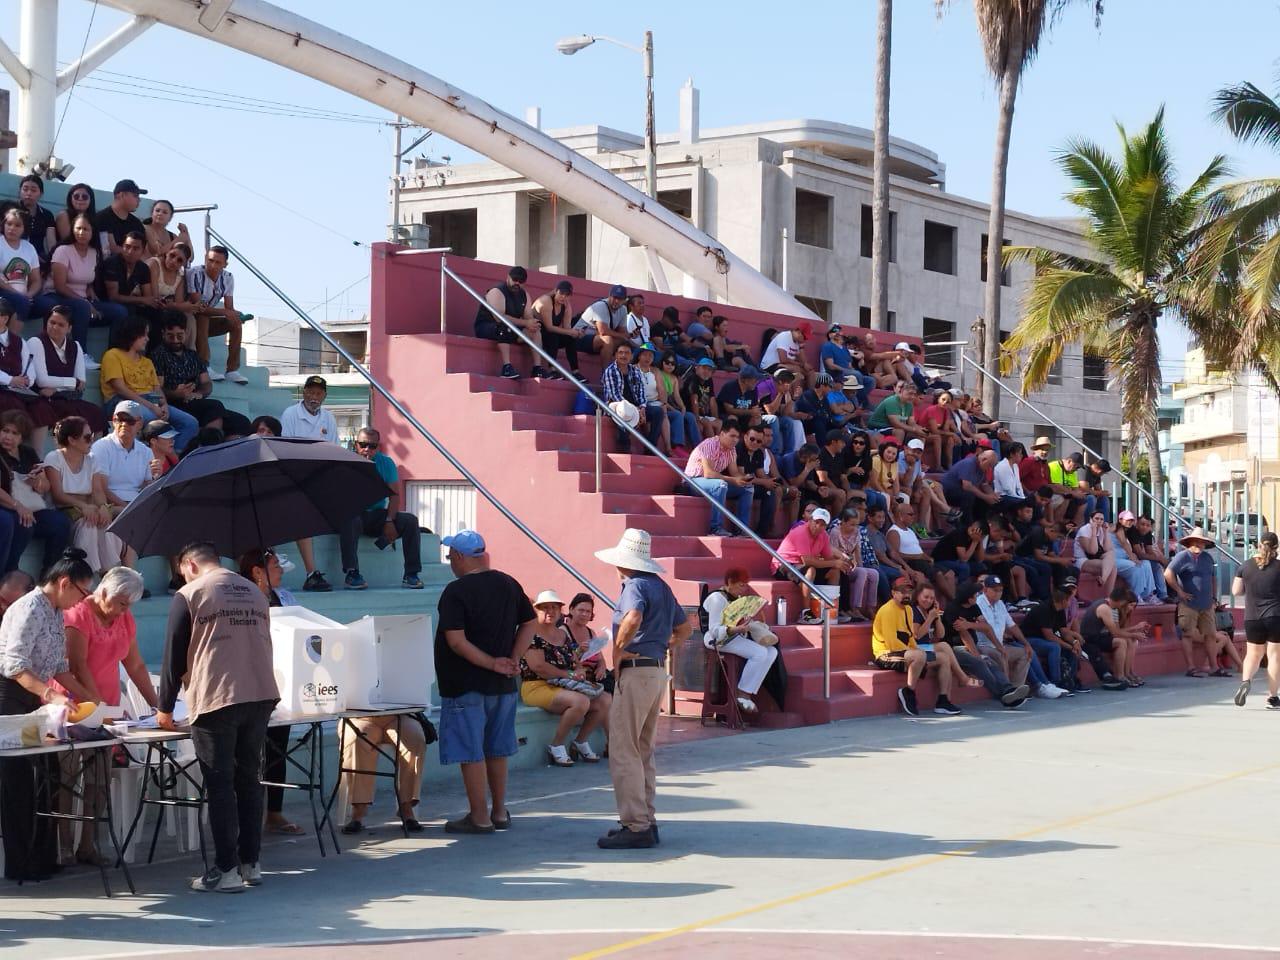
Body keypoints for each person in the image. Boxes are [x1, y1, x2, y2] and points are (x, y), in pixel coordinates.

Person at [158, 541, 278, 892]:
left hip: (217, 697)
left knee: (220, 783)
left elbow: (173, 656)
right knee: (249, 779)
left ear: (189, 565)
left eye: (181, 571)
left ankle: (225, 869)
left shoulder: (190, 594)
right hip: (260, 692)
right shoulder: (256, 592)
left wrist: (165, 707)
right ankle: (250, 863)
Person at [0, 548, 95, 882]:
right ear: (64, 582)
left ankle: (43, 855)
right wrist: (51, 693)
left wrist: (93, 700)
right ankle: (21, 862)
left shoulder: (55, 612)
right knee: (19, 781)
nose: (81, 602)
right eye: (82, 594)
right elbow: (14, 667)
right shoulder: (29, 608)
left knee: (48, 776)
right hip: (12, 696)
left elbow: (60, 668)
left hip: (37, 696)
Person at [594, 528, 691, 848]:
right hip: (655, 670)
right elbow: (685, 627)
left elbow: (633, 616)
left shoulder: (634, 585)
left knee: (624, 749)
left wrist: (619, 651)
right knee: (643, 749)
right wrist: (664, 645)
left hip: (636, 672)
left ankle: (635, 824)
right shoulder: (660, 586)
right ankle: (645, 818)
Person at [436, 529, 535, 834]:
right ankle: (500, 811)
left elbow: (456, 641)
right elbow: (530, 622)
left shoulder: (456, 591)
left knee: (471, 751)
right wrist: (513, 659)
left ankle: (479, 815)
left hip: (466, 684)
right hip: (502, 684)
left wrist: (493, 662)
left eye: (451, 556)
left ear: (461, 557)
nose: (450, 562)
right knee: (497, 748)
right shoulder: (508, 582)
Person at [53, 565, 151, 865]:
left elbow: (135, 666)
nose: (123, 611)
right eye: (120, 603)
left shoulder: (125, 617)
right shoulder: (79, 614)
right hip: (72, 706)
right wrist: (97, 706)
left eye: (128, 605)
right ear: (104, 591)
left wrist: (158, 706)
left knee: (98, 778)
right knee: (68, 776)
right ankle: (64, 846)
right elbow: (78, 665)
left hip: (107, 709)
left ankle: (88, 844)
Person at [234, 547, 306, 836]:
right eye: (275, 565)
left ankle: (274, 812)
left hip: (282, 681)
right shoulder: (239, 598)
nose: (281, 571)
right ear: (257, 571)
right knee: (247, 751)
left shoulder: (285, 598)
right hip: (248, 681)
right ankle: (244, 815)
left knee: (278, 748)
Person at [520, 590, 611, 766]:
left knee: (605, 699)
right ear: (536, 609)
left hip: (562, 685)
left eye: (554, 607)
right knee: (581, 701)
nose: (550, 611)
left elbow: (574, 660)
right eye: (545, 608)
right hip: (536, 686)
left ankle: (580, 741)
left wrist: (579, 669)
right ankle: (556, 744)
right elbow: (538, 666)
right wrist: (569, 674)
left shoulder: (562, 635)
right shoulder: (530, 633)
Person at [338, 426, 424, 590]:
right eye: (363, 444)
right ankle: (352, 573)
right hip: (354, 514)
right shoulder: (346, 462)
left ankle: (411, 574)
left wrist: (389, 520)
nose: (367, 449)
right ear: (356, 445)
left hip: (377, 515)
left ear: (379, 447)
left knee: (410, 520)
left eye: (372, 446)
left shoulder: (386, 463)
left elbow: (394, 495)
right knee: (350, 518)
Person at [99, 315, 199, 451]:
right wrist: (152, 407)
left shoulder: (147, 362)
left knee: (190, 423)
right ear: (132, 334)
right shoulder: (113, 355)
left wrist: (163, 405)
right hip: (121, 402)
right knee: (154, 418)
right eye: (144, 335)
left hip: (150, 401)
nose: (147, 339)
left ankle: (172, 459)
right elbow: (120, 388)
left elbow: (157, 389)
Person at [34, 212, 125, 360]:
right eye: (78, 228)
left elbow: (87, 278)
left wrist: (90, 292)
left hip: (81, 300)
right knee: (82, 308)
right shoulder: (63, 250)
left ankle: (113, 357)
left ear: (93, 231)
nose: (81, 233)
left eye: (86, 229)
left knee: (120, 311)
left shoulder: (94, 252)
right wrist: (86, 303)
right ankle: (80, 355)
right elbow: (59, 285)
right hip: (57, 296)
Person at [280, 375, 338, 592]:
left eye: (319, 393)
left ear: (324, 395)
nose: (314, 397)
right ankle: (311, 573)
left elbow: (333, 450)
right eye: (311, 392)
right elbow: (287, 448)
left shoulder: (329, 418)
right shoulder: (290, 414)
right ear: (304, 392)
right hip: (294, 475)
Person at [44, 416, 122, 574]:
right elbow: (58, 495)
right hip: (63, 510)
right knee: (89, 527)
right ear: (72, 440)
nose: (91, 441)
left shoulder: (92, 459)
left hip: (88, 509)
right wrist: (84, 505)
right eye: (87, 437)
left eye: (92, 436)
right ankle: (85, 574)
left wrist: (104, 507)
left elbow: (98, 491)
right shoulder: (54, 458)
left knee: (105, 524)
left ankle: (110, 573)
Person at [872, 579, 961, 717]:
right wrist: (919, 653)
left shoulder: (907, 609)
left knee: (943, 658)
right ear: (893, 593)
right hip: (886, 654)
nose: (906, 595)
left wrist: (919, 651)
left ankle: (943, 701)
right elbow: (893, 644)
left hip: (907, 653)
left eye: (909, 591)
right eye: (902, 592)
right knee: (920, 656)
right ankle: (908, 691)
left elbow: (911, 637)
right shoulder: (887, 610)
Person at [0, 409, 71, 573]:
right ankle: (8, 574)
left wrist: (39, 482)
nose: (8, 437)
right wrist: (17, 506)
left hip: (29, 507)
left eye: (14, 433)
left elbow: (45, 486)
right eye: (5, 431)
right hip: (7, 506)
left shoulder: (28, 453)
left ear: (22, 437)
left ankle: (48, 575)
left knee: (60, 522)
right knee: (20, 523)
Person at [702, 569, 782, 715]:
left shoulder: (735, 599)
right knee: (760, 653)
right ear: (729, 583)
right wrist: (736, 629)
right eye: (740, 585)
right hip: (717, 640)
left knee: (772, 652)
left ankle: (748, 690)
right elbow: (714, 630)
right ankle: (742, 693)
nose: (744, 589)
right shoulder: (717, 598)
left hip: (733, 636)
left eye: (745, 585)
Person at [975, 575, 1067, 699]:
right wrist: (999, 647)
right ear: (985, 590)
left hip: (1000, 645)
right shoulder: (978, 604)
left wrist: (1026, 644)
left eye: (1000, 590)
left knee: (1025, 652)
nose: (998, 593)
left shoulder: (1000, 604)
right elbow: (986, 629)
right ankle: (1006, 692)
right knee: (1001, 655)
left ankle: (1016, 690)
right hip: (984, 646)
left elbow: (1012, 626)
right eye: (995, 590)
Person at [941, 582, 1032, 708]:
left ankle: (1009, 689)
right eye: (975, 594)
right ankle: (1003, 695)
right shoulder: (953, 609)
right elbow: (965, 635)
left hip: (971, 646)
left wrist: (1000, 647)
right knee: (980, 663)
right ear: (969, 598)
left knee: (991, 662)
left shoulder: (974, 607)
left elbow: (986, 627)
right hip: (953, 649)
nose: (978, 595)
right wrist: (977, 655)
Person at [150, 315, 243, 437]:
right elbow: (157, 389)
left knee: (242, 423)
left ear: (186, 333)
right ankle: (207, 445)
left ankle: (212, 441)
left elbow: (207, 383)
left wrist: (199, 393)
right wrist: (176, 393)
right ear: (163, 334)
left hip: (195, 402)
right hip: (173, 404)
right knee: (215, 406)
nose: (175, 340)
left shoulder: (193, 356)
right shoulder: (158, 355)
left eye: (179, 336)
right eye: (170, 336)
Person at [1166, 527, 1230, 678]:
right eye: (1195, 541)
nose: (1198, 544)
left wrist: (1214, 597)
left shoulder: (1207, 558)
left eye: (1201, 542)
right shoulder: (1182, 557)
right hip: (1188, 603)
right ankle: (1191, 667)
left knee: (1210, 635)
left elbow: (1212, 578)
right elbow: (1168, 573)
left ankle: (1214, 667)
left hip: (1206, 604)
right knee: (1187, 634)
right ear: (1190, 542)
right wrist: (1180, 592)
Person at [773, 507, 848, 624]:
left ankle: (830, 610)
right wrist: (834, 562)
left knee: (834, 571)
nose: (818, 526)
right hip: (783, 565)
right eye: (816, 522)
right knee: (811, 569)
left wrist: (841, 563)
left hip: (801, 565)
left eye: (822, 524)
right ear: (810, 520)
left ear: (826, 527)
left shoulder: (823, 536)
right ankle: (805, 613)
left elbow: (828, 558)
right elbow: (807, 561)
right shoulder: (801, 532)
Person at [186, 245, 249, 384]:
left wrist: (234, 315)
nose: (213, 265)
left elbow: (229, 307)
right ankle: (204, 365)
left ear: (225, 264)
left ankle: (232, 370)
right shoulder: (194, 273)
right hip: (189, 319)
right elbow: (198, 306)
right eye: (210, 260)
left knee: (235, 322)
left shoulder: (228, 277)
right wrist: (226, 312)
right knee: (203, 316)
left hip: (208, 320)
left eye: (218, 262)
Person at [1233, 532, 1280, 708]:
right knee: (1274, 656)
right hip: (1275, 616)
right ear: (1276, 547)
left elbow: (1236, 591)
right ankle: (1272, 697)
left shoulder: (1245, 566)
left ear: (1259, 545)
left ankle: (1246, 681)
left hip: (1252, 617)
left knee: (1253, 654)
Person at [0, 300, 58, 443]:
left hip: (18, 389)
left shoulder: (19, 342)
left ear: (4, 318)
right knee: (11, 405)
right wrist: (10, 380)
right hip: (2, 388)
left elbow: (29, 366)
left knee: (41, 408)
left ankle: (35, 457)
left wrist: (27, 380)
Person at [475, 265, 546, 381]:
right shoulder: (497, 291)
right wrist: (525, 322)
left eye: (521, 281)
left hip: (511, 328)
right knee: (504, 327)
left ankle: (537, 368)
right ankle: (506, 367)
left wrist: (531, 323)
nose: (517, 283)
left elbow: (528, 318)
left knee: (535, 329)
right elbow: (499, 318)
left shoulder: (524, 295)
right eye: (515, 279)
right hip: (487, 326)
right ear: (508, 277)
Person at [684, 422, 754, 537]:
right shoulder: (710, 444)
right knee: (720, 485)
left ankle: (742, 529)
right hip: (693, 481)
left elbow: (734, 472)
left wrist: (743, 479)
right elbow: (708, 473)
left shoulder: (731, 450)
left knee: (748, 488)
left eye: (737, 437)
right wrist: (733, 480)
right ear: (722, 434)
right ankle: (715, 528)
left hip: (709, 482)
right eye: (732, 436)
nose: (735, 440)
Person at [1079, 585, 1146, 690]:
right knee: (1121, 642)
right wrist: (1134, 633)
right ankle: (1120, 676)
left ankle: (1127, 673)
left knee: (1130, 640)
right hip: (1090, 640)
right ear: (1121, 601)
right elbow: (1115, 633)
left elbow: (1116, 631)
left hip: (1100, 636)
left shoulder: (1110, 606)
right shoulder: (1104, 608)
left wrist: (1134, 632)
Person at [1020, 588, 1085, 693]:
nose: (1070, 603)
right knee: (1054, 647)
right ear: (1063, 600)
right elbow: (1049, 636)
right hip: (1029, 639)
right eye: (1069, 600)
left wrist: (1074, 643)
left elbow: (1064, 631)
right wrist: (1069, 646)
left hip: (1043, 640)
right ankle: (1056, 682)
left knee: (1071, 650)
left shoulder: (1060, 610)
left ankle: (1069, 681)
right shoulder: (1044, 609)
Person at [94, 229, 158, 330]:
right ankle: (117, 346)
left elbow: (148, 297)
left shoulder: (143, 268)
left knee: (154, 312)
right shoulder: (112, 263)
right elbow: (113, 297)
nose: (130, 252)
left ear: (143, 250)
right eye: (127, 247)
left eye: (136, 248)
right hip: (101, 302)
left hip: (125, 302)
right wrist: (141, 300)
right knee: (124, 311)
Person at [828, 507, 883, 621]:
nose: (855, 528)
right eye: (852, 525)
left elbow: (857, 552)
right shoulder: (835, 532)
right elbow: (833, 553)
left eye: (857, 525)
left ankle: (870, 607)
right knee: (862, 572)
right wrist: (854, 566)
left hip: (851, 565)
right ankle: (855, 608)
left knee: (873, 573)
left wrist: (859, 566)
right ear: (843, 522)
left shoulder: (857, 532)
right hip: (840, 565)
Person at [147, 241, 201, 349]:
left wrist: (187, 307)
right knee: (159, 317)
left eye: (179, 260)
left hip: (164, 307)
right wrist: (180, 306)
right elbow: (155, 299)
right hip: (145, 305)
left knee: (189, 318)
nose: (173, 261)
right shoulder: (154, 264)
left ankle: (188, 355)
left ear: (183, 264)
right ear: (167, 253)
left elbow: (178, 303)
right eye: (172, 255)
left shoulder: (180, 276)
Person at [530, 279, 582, 381]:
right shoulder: (546, 301)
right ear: (555, 291)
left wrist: (575, 333)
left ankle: (575, 372)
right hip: (535, 332)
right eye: (561, 293)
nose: (564, 297)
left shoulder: (566, 305)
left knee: (570, 339)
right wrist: (570, 332)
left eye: (567, 295)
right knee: (553, 336)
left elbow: (567, 328)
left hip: (550, 333)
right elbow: (549, 327)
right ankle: (552, 369)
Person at [0, 206, 41, 322]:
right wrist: (18, 295)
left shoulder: (29, 248)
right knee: (21, 302)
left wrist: (29, 294)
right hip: (4, 292)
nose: (12, 228)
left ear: (24, 228)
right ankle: (12, 340)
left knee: (48, 305)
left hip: (24, 295)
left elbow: (36, 280)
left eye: (17, 225)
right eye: (9, 224)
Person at [573, 284, 630, 363]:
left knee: (625, 344)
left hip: (597, 339)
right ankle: (606, 373)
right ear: (609, 296)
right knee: (607, 340)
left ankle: (623, 373)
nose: (616, 301)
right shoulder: (601, 306)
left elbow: (622, 331)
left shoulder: (623, 309)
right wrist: (623, 336)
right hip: (580, 337)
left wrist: (624, 336)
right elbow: (603, 331)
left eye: (620, 299)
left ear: (624, 300)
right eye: (614, 297)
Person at [658, 351, 699, 458]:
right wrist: (674, 409)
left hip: (671, 405)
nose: (670, 365)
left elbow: (677, 396)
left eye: (673, 364)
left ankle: (698, 447)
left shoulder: (674, 378)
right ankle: (677, 446)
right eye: (667, 362)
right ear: (662, 362)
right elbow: (660, 398)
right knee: (677, 415)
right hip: (661, 406)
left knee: (690, 416)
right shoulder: (658, 374)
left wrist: (683, 407)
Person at [940, 449, 999, 523]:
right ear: (984, 460)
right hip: (949, 492)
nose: (990, 469)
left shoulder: (982, 468)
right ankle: (967, 524)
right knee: (970, 495)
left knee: (990, 501)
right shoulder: (969, 464)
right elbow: (967, 486)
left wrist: (992, 495)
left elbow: (984, 484)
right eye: (990, 465)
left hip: (962, 493)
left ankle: (982, 524)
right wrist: (986, 497)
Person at [93, 179, 146, 255]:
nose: (139, 200)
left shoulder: (137, 224)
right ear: (122, 195)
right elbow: (110, 248)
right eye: (135, 196)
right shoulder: (101, 218)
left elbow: (143, 251)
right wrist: (134, 253)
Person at [1073, 510, 1118, 596]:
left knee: (1111, 556)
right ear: (1091, 519)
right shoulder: (1084, 530)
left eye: (1101, 519)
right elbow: (1092, 551)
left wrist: (1106, 532)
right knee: (1112, 568)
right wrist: (1093, 532)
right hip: (1082, 560)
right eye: (1096, 518)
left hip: (1094, 559)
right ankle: (1110, 597)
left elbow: (1107, 549)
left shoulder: (1101, 530)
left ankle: (1103, 580)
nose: (1099, 521)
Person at [15, 174, 56, 267]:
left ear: (41, 194)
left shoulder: (47, 215)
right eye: (25, 189)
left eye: (33, 190)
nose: (29, 193)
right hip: (13, 256)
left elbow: (51, 243)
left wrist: (53, 260)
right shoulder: (11, 210)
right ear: (20, 191)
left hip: (39, 260)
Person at [682, 357, 720, 439]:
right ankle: (711, 449)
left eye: (710, 370)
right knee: (706, 423)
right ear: (697, 368)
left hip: (702, 414)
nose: (706, 372)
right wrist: (697, 420)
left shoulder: (709, 380)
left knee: (719, 423)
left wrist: (715, 418)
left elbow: (712, 401)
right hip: (690, 413)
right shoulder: (692, 379)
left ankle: (718, 446)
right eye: (704, 368)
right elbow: (694, 400)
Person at [1048, 451, 1090, 525]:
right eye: (1076, 466)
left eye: (1078, 468)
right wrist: (1073, 492)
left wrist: (1079, 493)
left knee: (1084, 500)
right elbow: (1056, 486)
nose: (1076, 469)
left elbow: (1075, 488)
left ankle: (1075, 526)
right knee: (1067, 496)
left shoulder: (1072, 472)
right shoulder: (1054, 466)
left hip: (1065, 493)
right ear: (1069, 461)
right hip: (1052, 493)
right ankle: (1056, 524)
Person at [55, 182, 97, 246]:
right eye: (76, 196)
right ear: (70, 199)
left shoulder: (95, 218)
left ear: (90, 200)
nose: (80, 199)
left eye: (84, 197)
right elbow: (68, 241)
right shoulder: (63, 215)